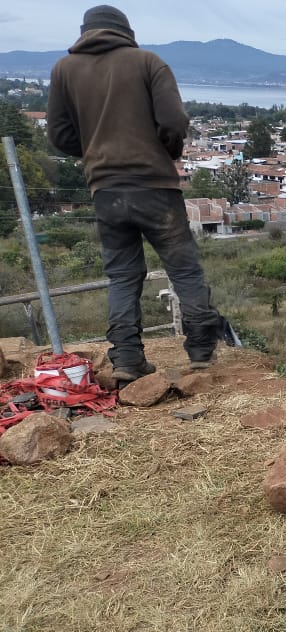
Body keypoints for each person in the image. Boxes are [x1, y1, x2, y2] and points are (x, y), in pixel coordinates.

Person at [47, 5, 222, 380]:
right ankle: (201, 350)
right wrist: (167, 152)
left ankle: (127, 360)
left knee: (123, 276)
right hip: (155, 186)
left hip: (106, 191)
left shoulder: (64, 70)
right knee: (183, 269)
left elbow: (60, 135)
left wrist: (98, 150)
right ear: (125, 30)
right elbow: (174, 121)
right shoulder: (148, 62)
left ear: (85, 31)